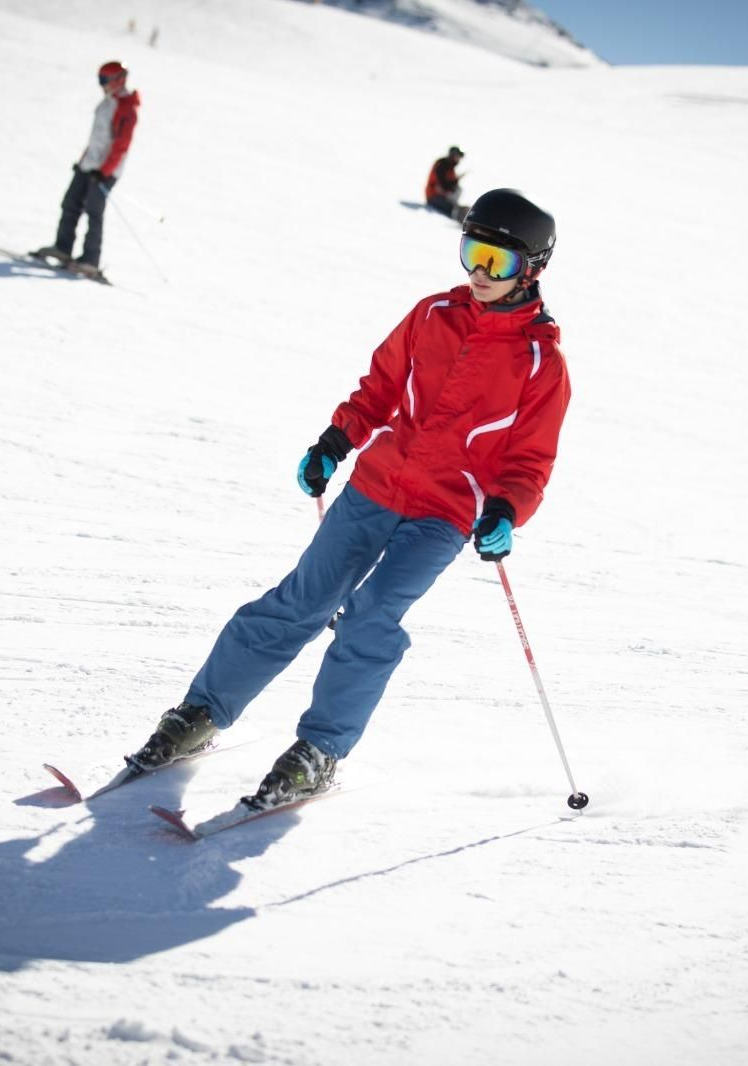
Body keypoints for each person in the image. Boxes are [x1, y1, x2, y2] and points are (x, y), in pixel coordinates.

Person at [127, 188, 572, 812]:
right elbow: (380, 387)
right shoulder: (432, 314)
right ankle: (201, 712)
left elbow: (530, 459)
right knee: (301, 601)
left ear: (531, 269)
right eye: (472, 251)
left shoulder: (540, 361)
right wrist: (335, 441)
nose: (479, 272)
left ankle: (319, 751)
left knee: (372, 616)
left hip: (443, 515)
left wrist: (505, 510)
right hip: (375, 486)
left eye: (497, 262)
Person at [32, 61, 139, 282]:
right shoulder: (107, 103)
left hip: (105, 171)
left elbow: (121, 145)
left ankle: (90, 260)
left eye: (104, 80)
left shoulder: (126, 108)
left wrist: (104, 171)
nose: (101, 84)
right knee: (70, 203)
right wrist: (83, 161)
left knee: (93, 211)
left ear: (118, 80)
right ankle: (63, 248)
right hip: (88, 165)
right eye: (100, 79)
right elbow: (97, 138)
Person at [424, 146, 467, 221]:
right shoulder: (442, 165)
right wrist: (452, 186)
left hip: (443, 197)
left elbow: (451, 185)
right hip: (433, 197)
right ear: (452, 155)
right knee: (452, 210)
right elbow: (443, 185)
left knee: (459, 191)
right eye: (457, 156)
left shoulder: (451, 168)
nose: (458, 159)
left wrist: (457, 180)